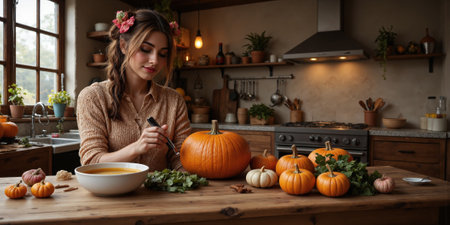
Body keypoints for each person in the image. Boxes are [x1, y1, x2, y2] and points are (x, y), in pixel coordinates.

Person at [77, 9, 190, 171]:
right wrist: (136, 147)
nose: (155, 60)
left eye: (163, 54)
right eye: (145, 49)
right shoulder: (93, 97)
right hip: (111, 194)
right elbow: (91, 162)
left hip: (160, 195)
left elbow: (181, 159)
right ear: (123, 45)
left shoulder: (174, 100)